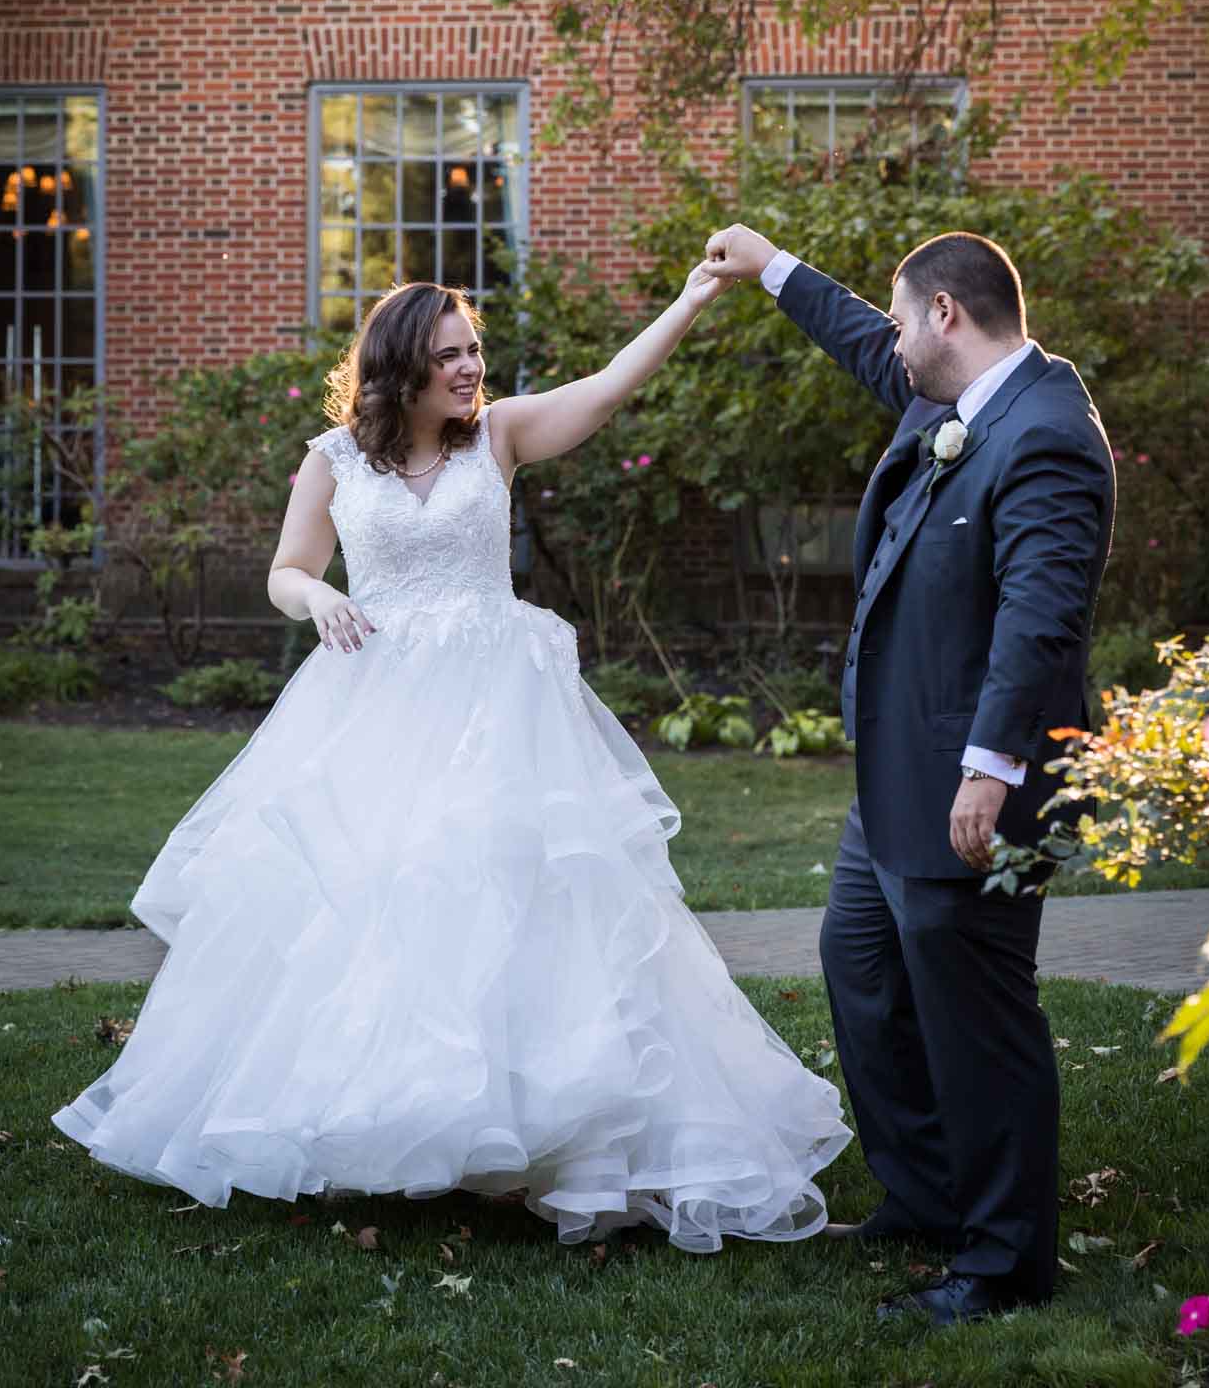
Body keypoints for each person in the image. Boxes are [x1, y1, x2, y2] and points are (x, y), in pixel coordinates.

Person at [53, 273, 850, 1253]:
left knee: (519, 893)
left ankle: (535, 1138)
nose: (471, 366)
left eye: (473, 348)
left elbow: (603, 390)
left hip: (499, 703)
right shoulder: (334, 458)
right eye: (450, 354)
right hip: (376, 699)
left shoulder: (500, 433)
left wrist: (689, 300)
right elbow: (285, 568)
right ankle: (389, 1116)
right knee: (380, 898)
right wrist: (319, 599)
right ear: (402, 367)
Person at [703, 223, 1115, 1326]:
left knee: (977, 1021)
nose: (887, 337)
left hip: (976, 786)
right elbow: (857, 337)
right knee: (863, 970)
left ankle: (1002, 1257)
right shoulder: (954, 399)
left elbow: (1042, 615)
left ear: (945, 314)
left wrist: (990, 767)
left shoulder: (1046, 434)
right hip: (894, 780)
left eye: (901, 315)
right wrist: (772, 266)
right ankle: (928, 1194)